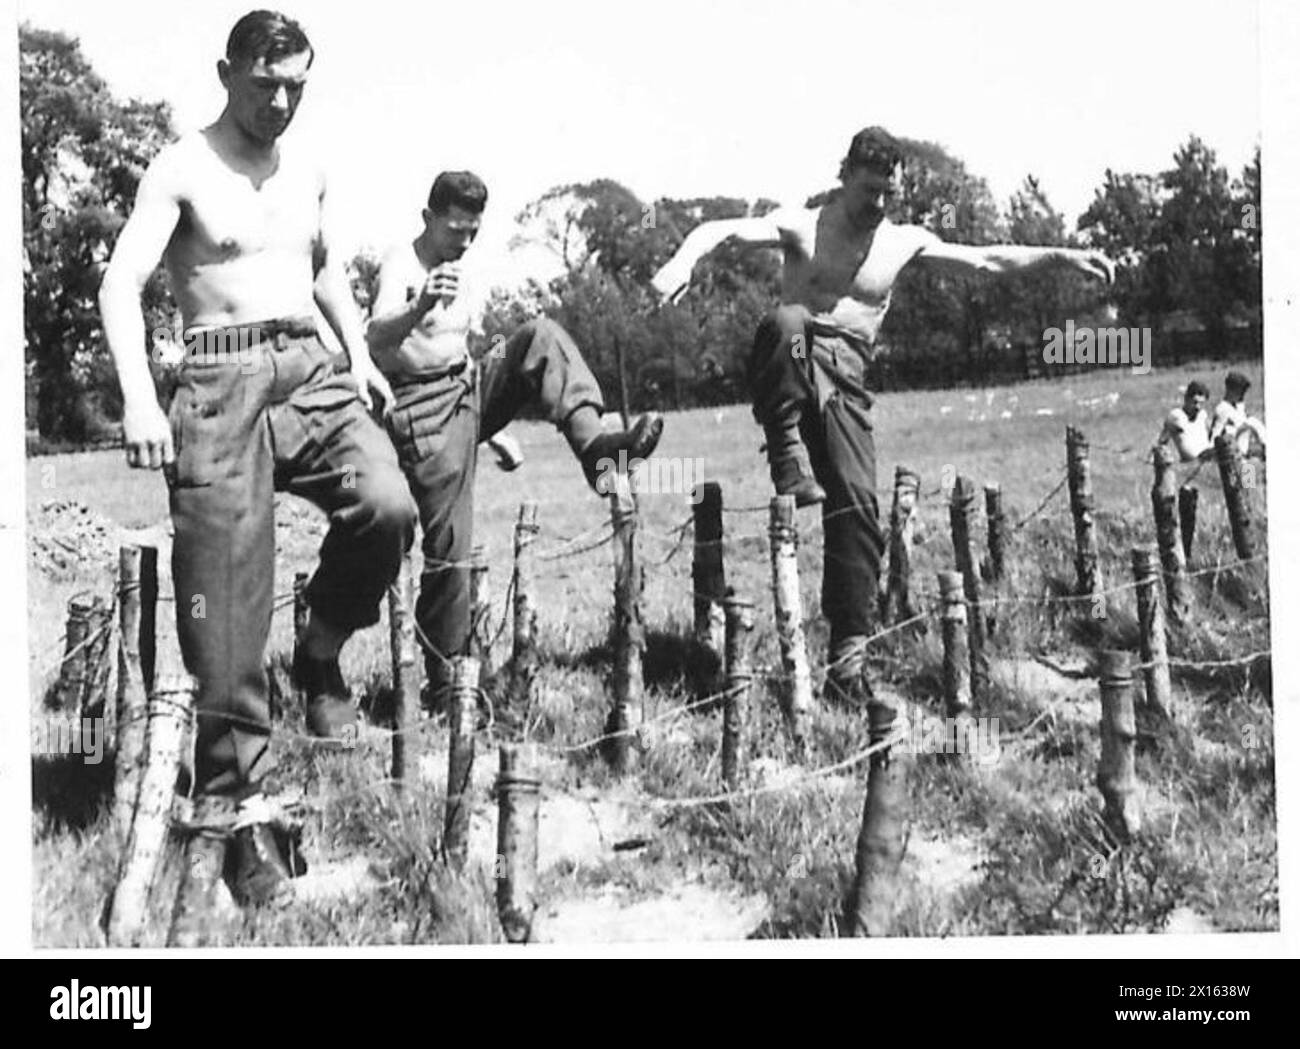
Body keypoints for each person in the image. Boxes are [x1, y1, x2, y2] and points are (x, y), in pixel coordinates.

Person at [98, 11, 417, 911]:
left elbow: (322, 269)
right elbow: (119, 281)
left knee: (387, 505)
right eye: (265, 83)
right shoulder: (182, 166)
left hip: (307, 366)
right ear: (226, 72)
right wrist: (138, 396)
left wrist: (355, 354)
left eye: (297, 87)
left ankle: (319, 650)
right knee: (228, 601)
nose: (281, 101)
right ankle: (238, 813)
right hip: (217, 375)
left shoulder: (307, 168)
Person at [651, 126, 1114, 701]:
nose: (878, 204)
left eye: (888, 194)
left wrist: (1062, 255)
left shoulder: (901, 241)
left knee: (860, 512)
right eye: (869, 190)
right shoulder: (804, 224)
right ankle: (787, 450)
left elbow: (988, 261)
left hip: (847, 384)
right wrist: (682, 261)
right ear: (843, 174)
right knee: (787, 325)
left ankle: (847, 664)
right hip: (794, 362)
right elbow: (720, 231)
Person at [367, 170, 663, 709]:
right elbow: (374, 336)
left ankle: (597, 447)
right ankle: (446, 682)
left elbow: (458, 348)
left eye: (473, 232)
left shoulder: (461, 270)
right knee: (450, 545)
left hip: (467, 387)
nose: (464, 242)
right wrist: (418, 306)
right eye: (455, 229)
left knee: (540, 338)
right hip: (419, 408)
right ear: (427, 218)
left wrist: (488, 428)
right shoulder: (401, 263)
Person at [1210, 370, 1266, 458]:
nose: (1243, 395)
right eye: (1241, 391)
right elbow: (1214, 439)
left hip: (1243, 454)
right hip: (1232, 458)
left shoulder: (1239, 406)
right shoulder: (1222, 409)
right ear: (1231, 390)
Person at [1159, 381, 1214, 462]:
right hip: (1190, 465)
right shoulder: (1176, 416)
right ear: (1187, 399)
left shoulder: (1203, 415)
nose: (1198, 407)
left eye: (1201, 403)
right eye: (1195, 402)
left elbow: (1212, 435)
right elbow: (1162, 442)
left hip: (1208, 460)